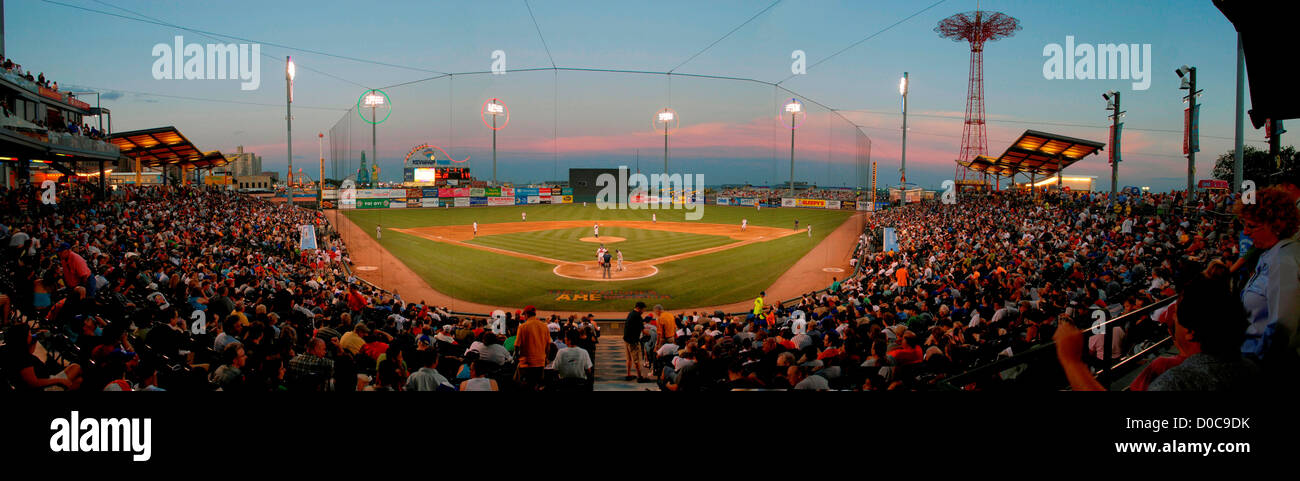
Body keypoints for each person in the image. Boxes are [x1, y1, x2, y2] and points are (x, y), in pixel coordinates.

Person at [1056, 277, 1260, 391]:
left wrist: (1072, 362)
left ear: (1190, 332)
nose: (1170, 317)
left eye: (1177, 315)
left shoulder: (1176, 383)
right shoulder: (1250, 367)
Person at [1235, 186, 1300, 375]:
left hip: (1263, 365)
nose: (1246, 232)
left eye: (1252, 226)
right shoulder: (1270, 255)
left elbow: (1282, 327)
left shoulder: (1285, 260)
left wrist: (1256, 365)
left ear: (1275, 225)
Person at [514, 306, 549, 390]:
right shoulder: (544, 326)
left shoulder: (523, 326)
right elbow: (548, 346)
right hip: (540, 362)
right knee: (537, 385)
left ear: (526, 314)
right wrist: (545, 358)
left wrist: (517, 357)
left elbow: (517, 345)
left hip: (526, 363)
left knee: (524, 385)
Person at [624, 302, 650, 382]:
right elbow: (644, 331)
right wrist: (653, 333)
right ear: (639, 308)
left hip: (626, 340)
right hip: (633, 341)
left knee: (629, 359)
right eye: (643, 309)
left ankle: (628, 375)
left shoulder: (631, 313)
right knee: (637, 360)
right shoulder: (637, 316)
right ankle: (639, 377)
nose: (643, 311)